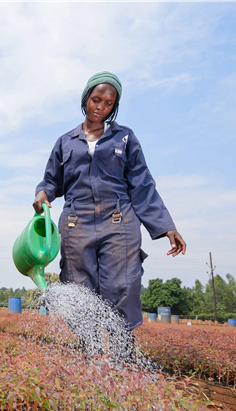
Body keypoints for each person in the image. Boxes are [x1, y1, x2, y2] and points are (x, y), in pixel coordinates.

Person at [33, 71, 186, 336]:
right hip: (76, 221)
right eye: (96, 99)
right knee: (79, 288)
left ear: (114, 106)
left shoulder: (124, 138)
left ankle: (122, 355)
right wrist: (42, 194)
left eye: (108, 103)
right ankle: (88, 351)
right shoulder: (65, 141)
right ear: (86, 98)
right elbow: (51, 181)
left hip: (118, 220)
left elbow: (142, 184)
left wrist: (166, 226)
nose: (101, 107)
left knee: (122, 285)